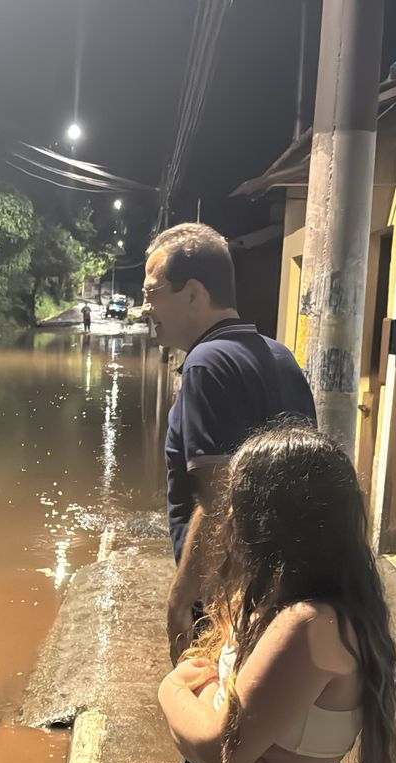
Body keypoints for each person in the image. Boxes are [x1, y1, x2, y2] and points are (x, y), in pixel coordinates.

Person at [157, 424, 396, 763]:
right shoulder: (272, 598)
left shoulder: (307, 623)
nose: (227, 512)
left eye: (239, 500)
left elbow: (217, 743)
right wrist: (216, 733)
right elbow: (215, 687)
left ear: (272, 519)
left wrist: (170, 689)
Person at [137, 223, 316, 662]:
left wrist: (181, 597)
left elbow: (219, 497)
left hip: (224, 597)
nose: (145, 308)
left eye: (152, 292)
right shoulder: (280, 356)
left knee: (214, 713)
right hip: (281, 585)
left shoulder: (205, 364)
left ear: (193, 293)